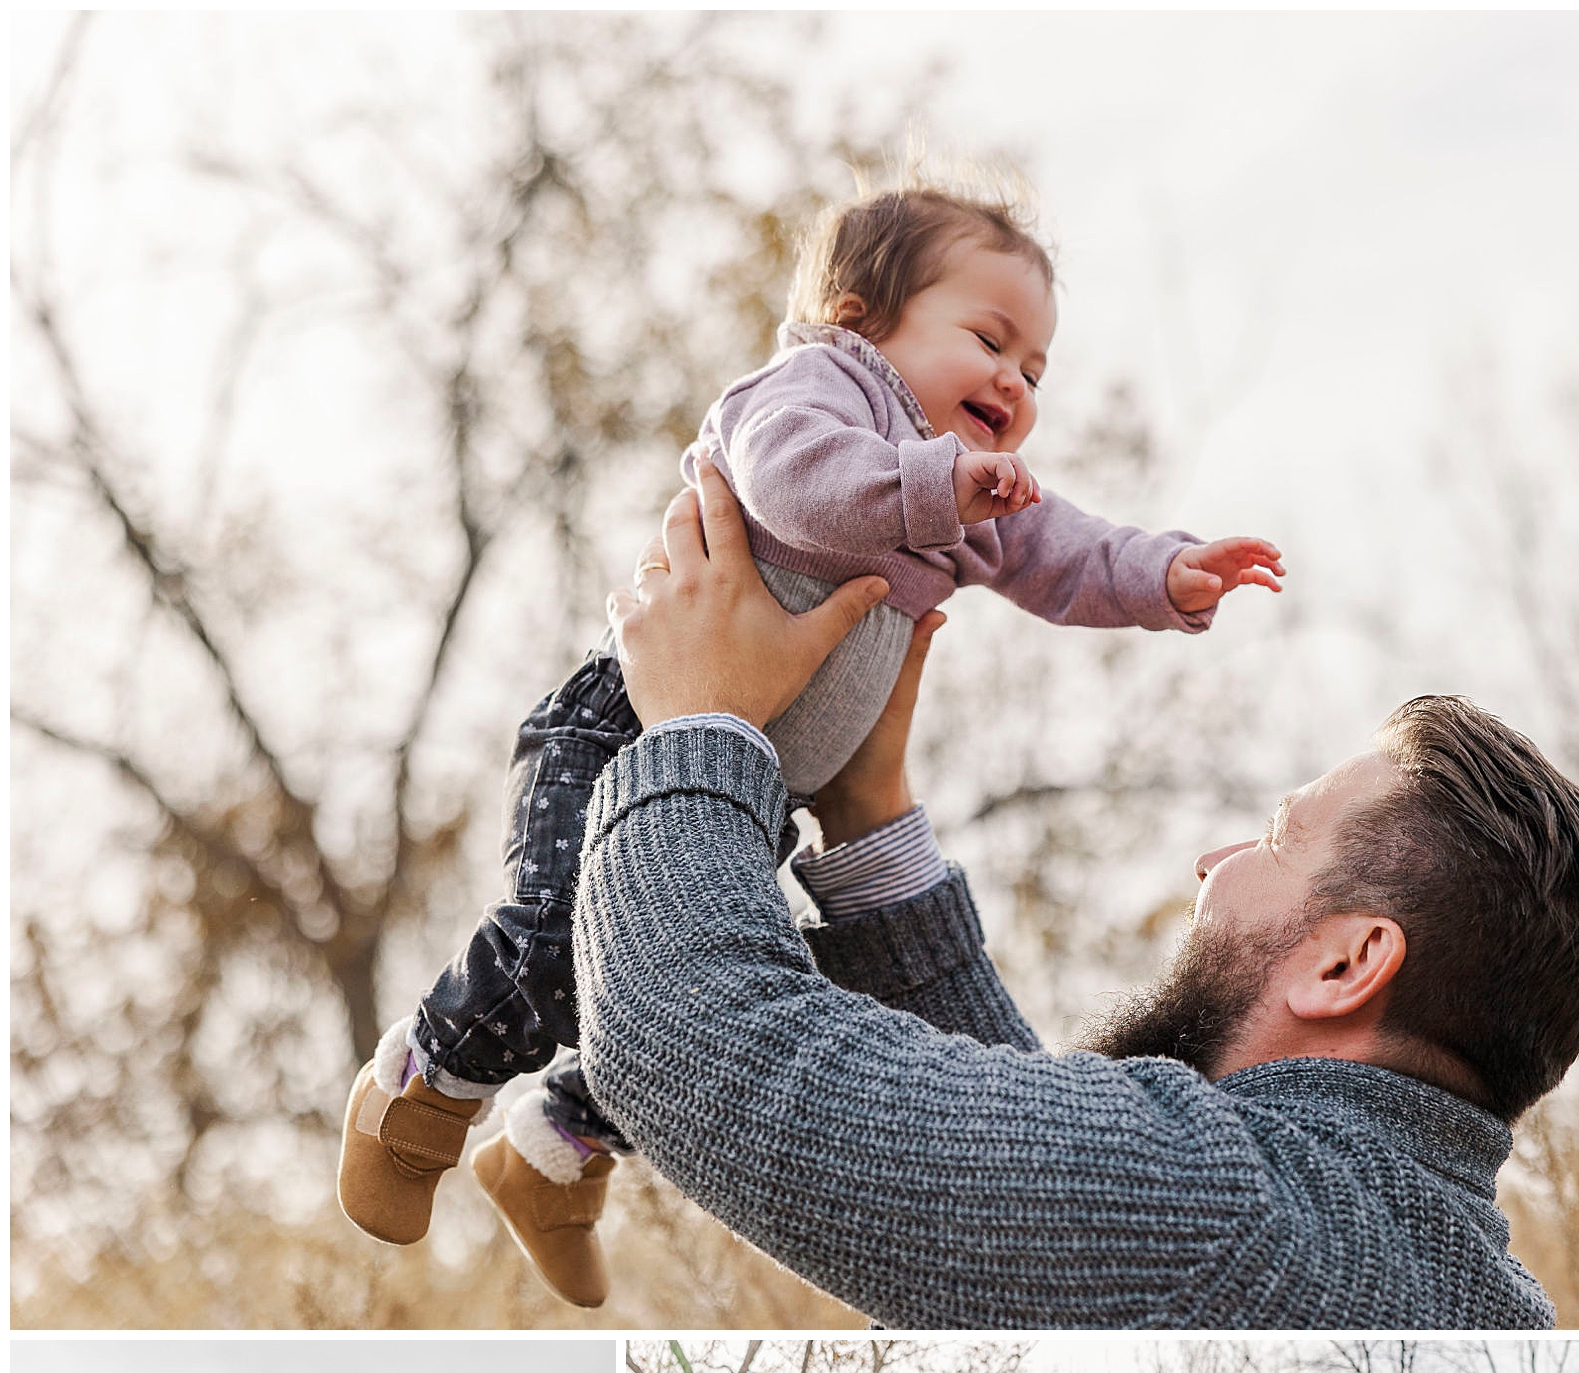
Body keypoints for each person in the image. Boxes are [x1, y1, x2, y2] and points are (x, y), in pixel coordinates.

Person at [336, 174, 1281, 1306]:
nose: (1012, 383)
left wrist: (1162, 575)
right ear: (858, 316)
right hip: (619, 732)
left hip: (747, 787)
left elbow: (1059, 547)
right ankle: (419, 1087)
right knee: (554, 941)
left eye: (1034, 371)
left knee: (733, 983)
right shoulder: (814, 393)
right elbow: (795, 485)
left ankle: (550, 1152)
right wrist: (936, 482)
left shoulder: (951, 495)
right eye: (987, 339)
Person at [561, 458, 1579, 1330]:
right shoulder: (1429, 1268)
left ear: (1346, 963)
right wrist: (869, 826)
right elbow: (1041, 1180)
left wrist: (702, 723)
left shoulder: (1220, 1213)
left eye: (1274, 839)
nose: (1210, 867)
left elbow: (688, 1040)